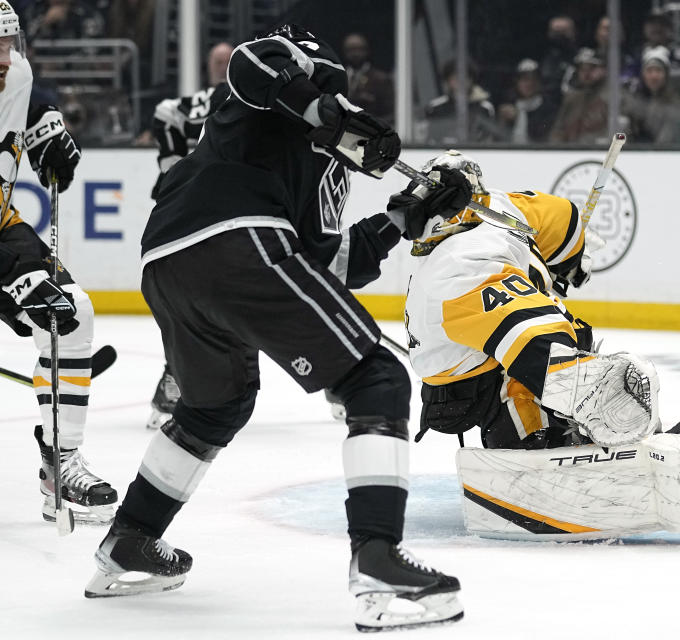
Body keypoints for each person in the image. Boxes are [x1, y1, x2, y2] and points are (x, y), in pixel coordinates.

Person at [85, 24, 468, 632]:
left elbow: (320, 264)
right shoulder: (284, 84)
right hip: (235, 236)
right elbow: (251, 63)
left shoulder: (321, 169)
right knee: (378, 377)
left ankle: (130, 539)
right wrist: (328, 108)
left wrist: (402, 218)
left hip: (168, 259)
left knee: (215, 407)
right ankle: (377, 558)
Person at [403, 150, 680, 520]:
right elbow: (565, 220)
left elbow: (544, 352)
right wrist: (574, 255)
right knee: (548, 368)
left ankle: (662, 458)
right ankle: (674, 445)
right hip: (523, 343)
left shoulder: (457, 263)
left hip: (501, 372)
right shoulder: (502, 206)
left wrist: (606, 409)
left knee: (533, 388)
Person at [0, 3, 116, 524]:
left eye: (8, 42)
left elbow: (26, 95)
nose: (4, 57)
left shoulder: (16, 72)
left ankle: (60, 466)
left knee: (71, 315)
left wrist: (45, 121)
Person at [143, 43, 233, 429]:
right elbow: (164, 113)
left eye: (228, 61)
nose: (222, 66)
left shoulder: (257, 106)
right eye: (217, 61)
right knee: (188, 298)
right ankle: (176, 376)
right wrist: (175, 169)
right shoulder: (197, 104)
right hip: (191, 219)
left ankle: (337, 374)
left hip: (236, 212)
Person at [421, 58, 498, 144]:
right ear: (448, 81)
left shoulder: (484, 108)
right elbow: (428, 139)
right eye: (455, 78)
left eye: (464, 77)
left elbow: (489, 139)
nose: (460, 82)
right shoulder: (435, 107)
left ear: (471, 80)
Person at [623, 46, 680, 144]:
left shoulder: (674, 102)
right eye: (649, 71)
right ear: (643, 74)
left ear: (666, 75)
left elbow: (667, 139)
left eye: (658, 71)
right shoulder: (634, 98)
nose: (654, 76)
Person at [549, 48, 610, 144]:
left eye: (591, 68)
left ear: (603, 70)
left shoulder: (615, 96)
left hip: (608, 152)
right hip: (575, 154)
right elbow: (557, 132)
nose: (586, 73)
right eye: (582, 69)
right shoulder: (572, 99)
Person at [496, 58, 558, 143]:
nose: (529, 83)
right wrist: (503, 120)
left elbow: (544, 138)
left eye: (534, 79)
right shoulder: (508, 103)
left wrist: (519, 117)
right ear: (517, 82)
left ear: (539, 82)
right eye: (524, 79)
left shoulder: (548, 108)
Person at [342, 32, 394, 121]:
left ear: (367, 51)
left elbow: (391, 113)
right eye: (350, 49)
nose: (355, 54)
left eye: (359, 49)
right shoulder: (339, 76)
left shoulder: (380, 79)